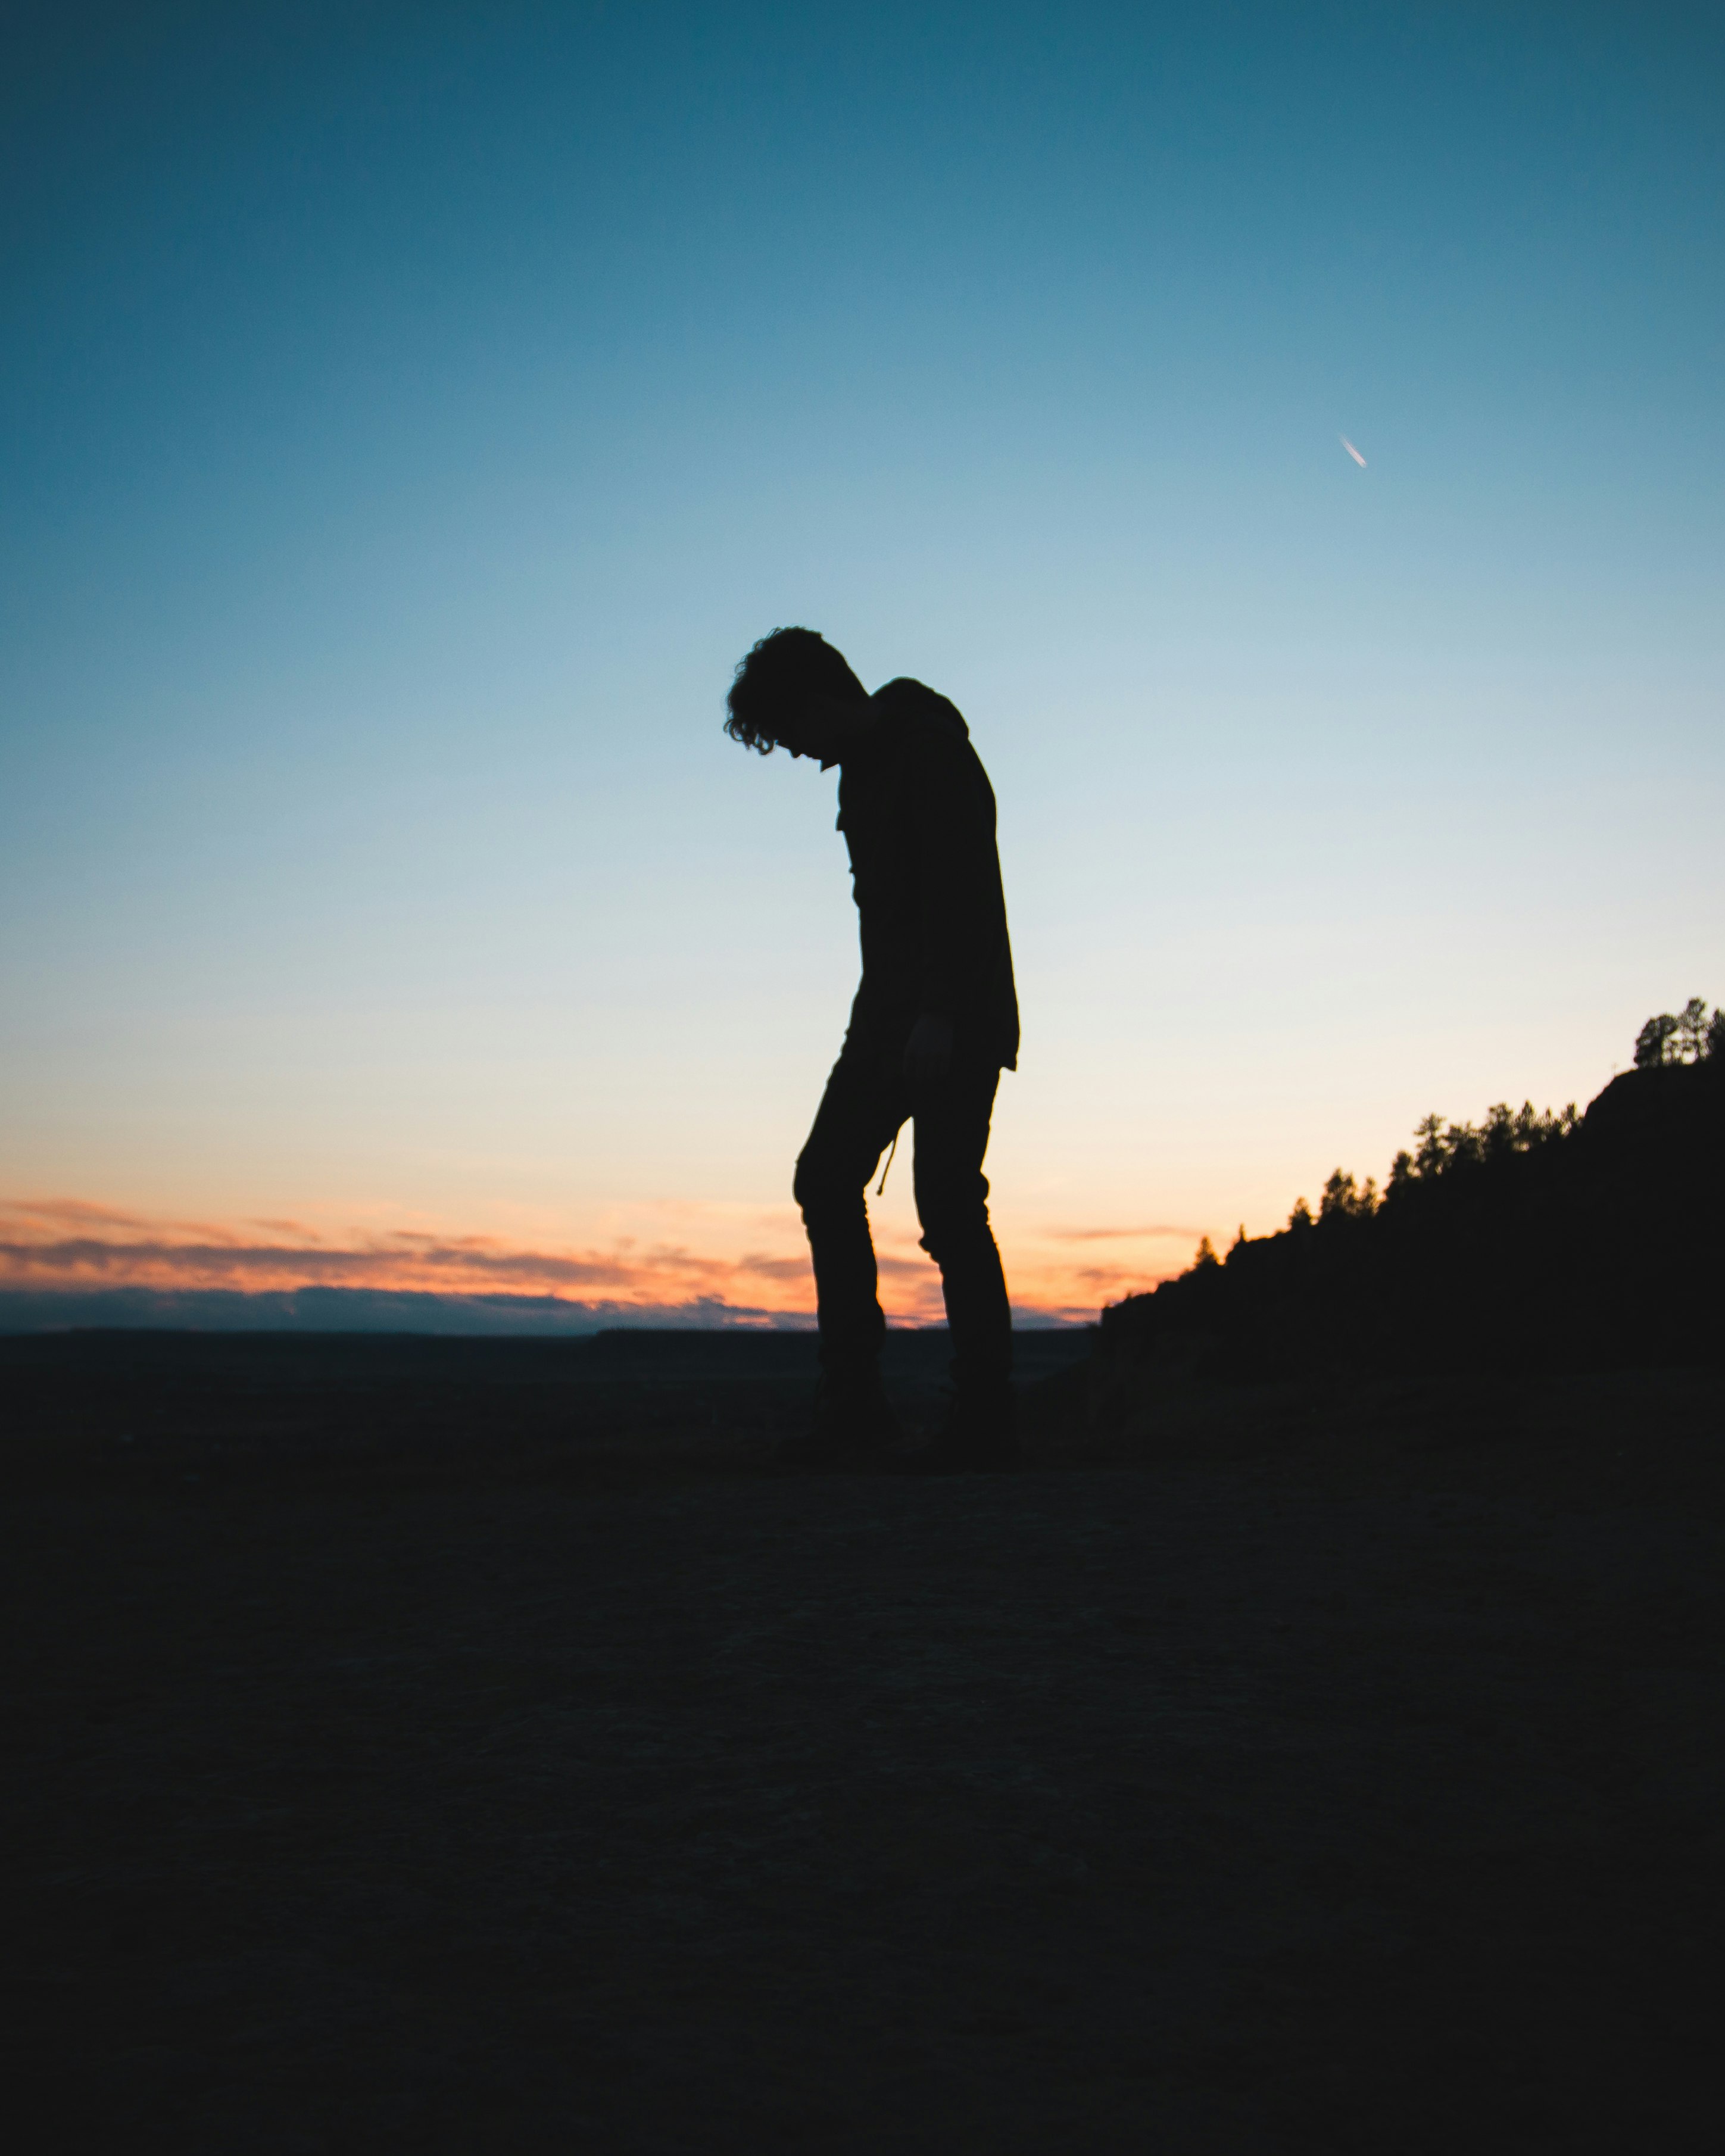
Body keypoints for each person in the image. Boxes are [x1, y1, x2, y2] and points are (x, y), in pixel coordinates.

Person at [723, 627, 1019, 1469]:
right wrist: (885, 1019)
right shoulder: (861, 773)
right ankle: (854, 1407)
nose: (795, 754)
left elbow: (961, 889)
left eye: (790, 732)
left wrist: (938, 1014)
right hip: (886, 1018)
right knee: (825, 1176)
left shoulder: (928, 749)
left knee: (949, 1204)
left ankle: (984, 1418)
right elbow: (886, 919)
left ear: (819, 699)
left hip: (950, 1016)